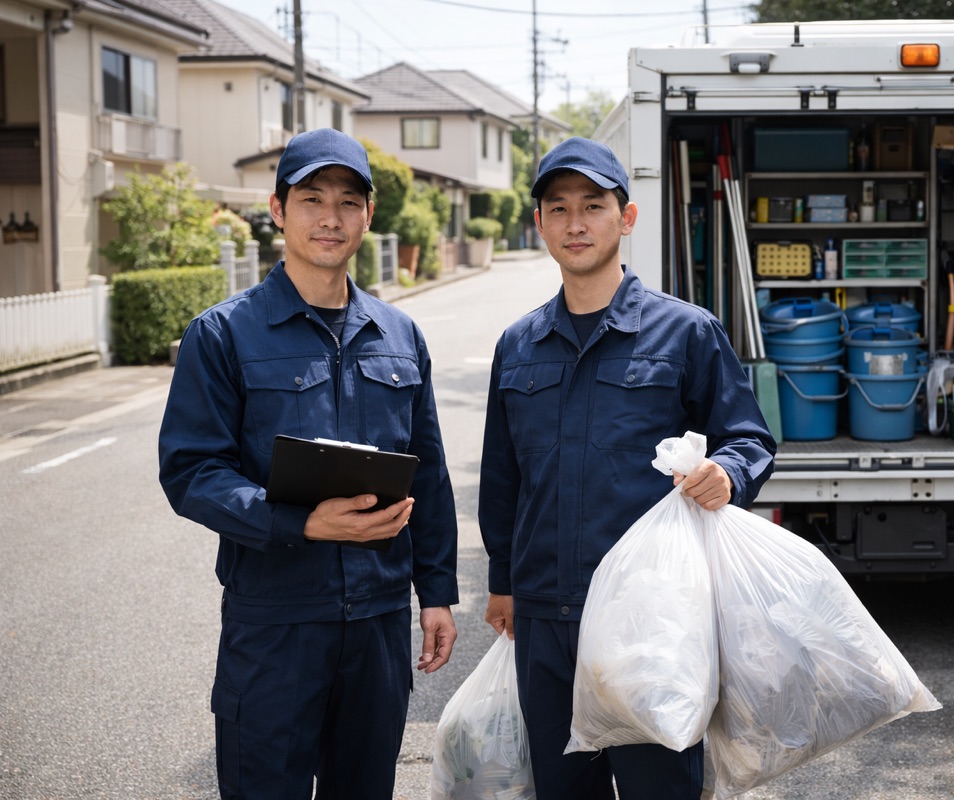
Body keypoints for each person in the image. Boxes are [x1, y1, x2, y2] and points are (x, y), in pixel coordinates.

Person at [158, 128, 458, 800]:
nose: (331, 217)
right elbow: (191, 472)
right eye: (312, 198)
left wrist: (435, 592)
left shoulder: (399, 335)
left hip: (378, 621)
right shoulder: (224, 334)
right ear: (277, 209)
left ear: (368, 216)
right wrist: (301, 523)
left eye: (349, 201)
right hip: (275, 621)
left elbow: (429, 474)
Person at [478, 137, 776, 799]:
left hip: (651, 618)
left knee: (658, 789)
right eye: (559, 208)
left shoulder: (686, 332)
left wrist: (728, 473)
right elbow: (502, 477)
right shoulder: (518, 345)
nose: (576, 223)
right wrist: (503, 581)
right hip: (546, 618)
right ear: (540, 224)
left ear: (627, 218)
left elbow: (748, 437)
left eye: (593, 205)